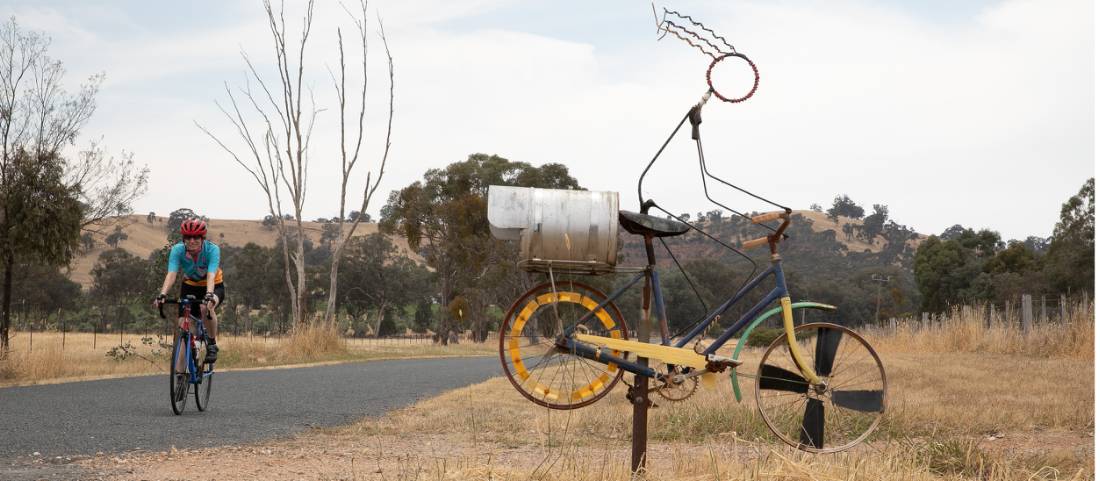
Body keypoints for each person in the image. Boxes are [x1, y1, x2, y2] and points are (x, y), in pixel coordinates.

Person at [152, 218, 225, 363]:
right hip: (190, 285)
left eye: (196, 237)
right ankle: (180, 377)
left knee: (206, 307)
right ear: (183, 238)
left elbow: (211, 275)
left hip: (214, 285)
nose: (192, 240)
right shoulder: (177, 250)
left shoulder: (212, 250)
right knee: (184, 325)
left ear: (202, 238)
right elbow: (172, 274)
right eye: (188, 237)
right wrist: (162, 294)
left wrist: (209, 294)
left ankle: (211, 343)